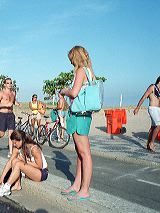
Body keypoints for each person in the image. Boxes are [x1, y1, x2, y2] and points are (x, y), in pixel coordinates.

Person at [60, 46, 94, 201]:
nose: (70, 62)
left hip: (80, 115)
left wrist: (64, 91)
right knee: (80, 153)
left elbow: (74, 93)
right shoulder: (89, 70)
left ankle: (84, 190)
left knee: (85, 154)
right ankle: (77, 185)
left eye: (71, 58)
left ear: (75, 56)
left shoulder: (81, 70)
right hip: (80, 115)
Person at [0, 130, 48, 197]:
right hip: (29, 171)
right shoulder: (17, 147)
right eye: (13, 143)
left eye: (15, 142)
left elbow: (39, 166)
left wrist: (25, 161)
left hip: (41, 173)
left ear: (21, 140)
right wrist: (1, 179)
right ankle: (16, 185)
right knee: (14, 160)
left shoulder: (33, 148)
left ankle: (6, 187)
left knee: (18, 163)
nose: (14, 145)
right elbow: (10, 161)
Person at [0, 77, 21, 158]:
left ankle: (11, 152)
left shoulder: (13, 93)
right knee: (2, 133)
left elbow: (13, 101)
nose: (10, 84)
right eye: (8, 83)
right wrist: (5, 105)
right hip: (2, 115)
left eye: (11, 83)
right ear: (4, 84)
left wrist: (18, 103)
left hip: (11, 115)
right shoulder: (1, 93)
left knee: (11, 134)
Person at [134, 76, 160, 152]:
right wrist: (137, 108)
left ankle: (148, 144)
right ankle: (151, 143)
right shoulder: (152, 87)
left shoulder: (159, 90)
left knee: (153, 127)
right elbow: (144, 97)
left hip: (158, 110)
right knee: (158, 126)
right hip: (152, 109)